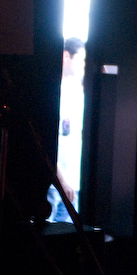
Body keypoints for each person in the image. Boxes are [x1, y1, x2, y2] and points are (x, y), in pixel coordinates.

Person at [47, 36, 86, 222]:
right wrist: (61, 179)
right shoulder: (53, 94)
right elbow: (47, 140)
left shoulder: (78, 94)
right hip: (54, 185)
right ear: (66, 56)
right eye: (81, 59)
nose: (85, 64)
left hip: (73, 186)